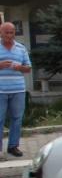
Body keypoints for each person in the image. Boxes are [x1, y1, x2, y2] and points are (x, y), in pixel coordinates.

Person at [0, 22, 32, 158]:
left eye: (11, 32)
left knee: (17, 119)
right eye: (6, 32)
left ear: (14, 33)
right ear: (1, 32)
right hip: (0, 91)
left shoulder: (21, 48)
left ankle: (13, 146)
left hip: (18, 89)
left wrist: (20, 68)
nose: (9, 35)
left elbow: (28, 68)